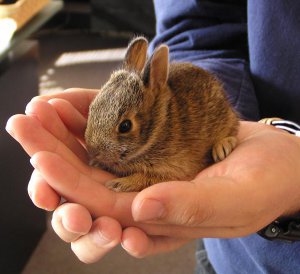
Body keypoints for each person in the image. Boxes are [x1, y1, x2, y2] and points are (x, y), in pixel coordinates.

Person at [5, 0, 300, 273]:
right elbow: (198, 28)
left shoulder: (171, 138)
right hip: (233, 258)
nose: (96, 148)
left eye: (124, 128)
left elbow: (181, 169)